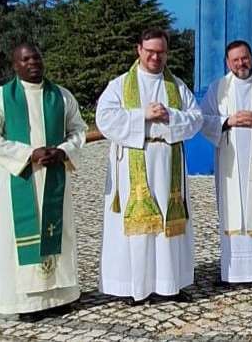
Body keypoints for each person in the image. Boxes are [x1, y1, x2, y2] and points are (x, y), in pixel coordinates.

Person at [0, 43, 87, 321]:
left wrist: (63, 151)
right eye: (25, 59)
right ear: (15, 65)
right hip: (22, 180)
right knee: (22, 239)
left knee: (59, 234)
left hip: (54, 178)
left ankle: (60, 297)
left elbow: (79, 130)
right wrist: (28, 154)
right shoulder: (0, 98)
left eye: (36, 57)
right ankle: (27, 304)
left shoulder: (61, 96)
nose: (33, 62)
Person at [96, 28, 203, 304]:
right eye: (150, 51)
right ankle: (136, 287)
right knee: (138, 228)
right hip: (133, 162)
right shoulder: (120, 85)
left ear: (167, 53)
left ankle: (171, 284)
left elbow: (196, 118)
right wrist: (142, 115)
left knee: (168, 222)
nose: (155, 57)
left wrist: (170, 116)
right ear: (139, 50)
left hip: (168, 162)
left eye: (161, 52)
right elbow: (105, 119)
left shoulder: (177, 86)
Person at [200, 39, 252, 286]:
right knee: (232, 209)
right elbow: (203, 119)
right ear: (228, 62)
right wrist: (227, 121)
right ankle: (233, 273)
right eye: (235, 60)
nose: (241, 63)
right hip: (230, 163)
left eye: (244, 58)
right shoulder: (218, 88)